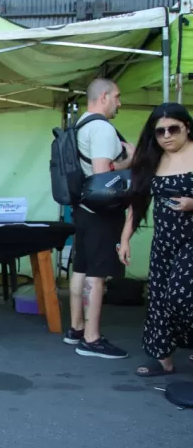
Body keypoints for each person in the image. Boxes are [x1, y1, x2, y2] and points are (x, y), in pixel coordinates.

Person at [119, 103, 193, 376]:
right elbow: (137, 203)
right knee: (159, 298)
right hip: (164, 241)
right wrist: (125, 239)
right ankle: (163, 358)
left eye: (173, 129)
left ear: (187, 127)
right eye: (160, 131)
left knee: (181, 295)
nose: (167, 136)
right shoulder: (152, 159)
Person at [64, 78, 134, 359]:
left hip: (83, 208)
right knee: (97, 274)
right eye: (117, 96)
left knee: (81, 267)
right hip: (102, 211)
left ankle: (76, 328)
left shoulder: (80, 125)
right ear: (104, 96)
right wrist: (131, 158)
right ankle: (91, 339)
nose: (119, 103)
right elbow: (104, 174)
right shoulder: (102, 128)